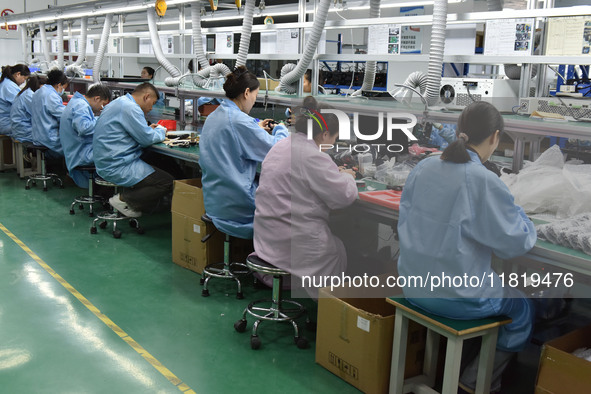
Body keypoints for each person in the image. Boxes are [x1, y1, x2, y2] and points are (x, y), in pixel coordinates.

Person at [397, 101, 537, 393]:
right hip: (459, 296)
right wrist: (520, 213)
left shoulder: (425, 166)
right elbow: (515, 244)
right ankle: (475, 382)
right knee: (523, 306)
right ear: (495, 137)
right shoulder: (484, 180)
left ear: (459, 130)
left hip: (413, 285)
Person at [252, 96, 358, 294]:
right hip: (294, 244)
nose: (333, 144)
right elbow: (344, 197)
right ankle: (328, 308)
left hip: (268, 238)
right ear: (325, 134)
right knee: (338, 250)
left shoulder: (281, 145)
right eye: (334, 138)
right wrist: (348, 177)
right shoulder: (313, 156)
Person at [199, 66, 288, 239]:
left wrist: (255, 127)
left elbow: (237, 131)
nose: (255, 101)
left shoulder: (215, 115)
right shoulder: (240, 122)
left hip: (215, 201)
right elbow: (277, 150)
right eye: (256, 96)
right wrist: (281, 129)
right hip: (238, 205)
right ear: (247, 93)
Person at [93, 82, 173, 218]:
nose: (151, 108)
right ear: (146, 96)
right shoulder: (131, 108)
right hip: (117, 165)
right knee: (166, 181)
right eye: (152, 103)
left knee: (159, 161)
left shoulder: (120, 102)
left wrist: (148, 130)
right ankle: (124, 199)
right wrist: (161, 130)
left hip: (106, 160)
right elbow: (146, 139)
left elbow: (134, 131)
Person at [59, 83, 112, 188]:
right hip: (81, 153)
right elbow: (84, 128)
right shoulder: (81, 106)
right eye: (103, 105)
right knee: (118, 151)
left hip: (76, 150)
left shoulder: (77, 102)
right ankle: (114, 193)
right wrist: (103, 119)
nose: (102, 109)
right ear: (97, 98)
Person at [31, 69, 69, 157]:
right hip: (48, 137)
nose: (63, 90)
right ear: (59, 85)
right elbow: (64, 115)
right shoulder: (51, 95)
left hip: (38, 135)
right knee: (75, 146)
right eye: (63, 88)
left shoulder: (39, 91)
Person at [10, 75, 47, 143]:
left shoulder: (27, 92)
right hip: (24, 132)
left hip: (21, 129)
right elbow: (40, 115)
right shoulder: (29, 96)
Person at [0, 64, 30, 136]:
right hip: (6, 124)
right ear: (18, 74)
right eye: (24, 79)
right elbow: (21, 104)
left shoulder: (6, 83)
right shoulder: (9, 86)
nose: (23, 82)